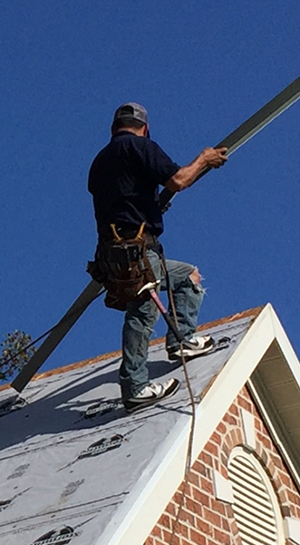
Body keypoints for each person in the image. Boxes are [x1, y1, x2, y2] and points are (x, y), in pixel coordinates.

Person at [87, 101, 226, 408]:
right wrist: (204, 158)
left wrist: (149, 205)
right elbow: (179, 180)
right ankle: (135, 387)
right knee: (143, 311)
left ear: (113, 128)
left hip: (111, 253)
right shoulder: (140, 147)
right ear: (144, 128)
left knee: (188, 277)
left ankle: (181, 341)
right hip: (136, 250)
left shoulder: (100, 161)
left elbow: (123, 196)